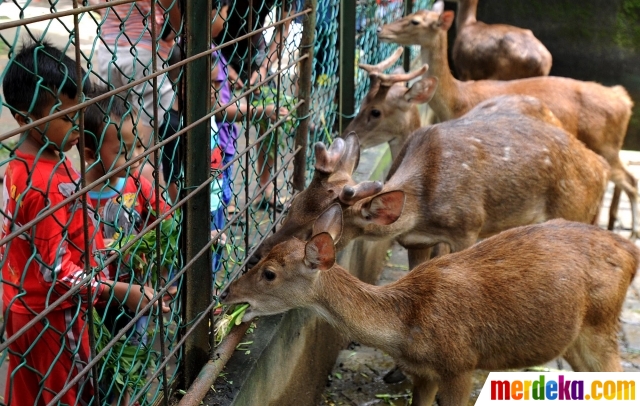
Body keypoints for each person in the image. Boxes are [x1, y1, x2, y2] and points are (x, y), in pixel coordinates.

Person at [0, 41, 169, 406]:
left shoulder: (20, 166)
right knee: (69, 392)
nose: (78, 123)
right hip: (54, 316)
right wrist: (121, 291)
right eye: (65, 116)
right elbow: (58, 273)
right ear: (24, 119)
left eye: (78, 111)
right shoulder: (47, 186)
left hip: (22, 306)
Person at [97, 0, 182, 203]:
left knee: (122, 125)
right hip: (144, 50)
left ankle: (126, 201)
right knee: (147, 144)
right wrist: (179, 29)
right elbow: (169, 5)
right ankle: (158, 210)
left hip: (108, 49)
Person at [210, 0, 288, 220]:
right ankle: (227, 193)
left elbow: (285, 26)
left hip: (254, 50)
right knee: (221, 124)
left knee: (271, 117)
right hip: (217, 49)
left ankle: (265, 187)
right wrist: (226, 71)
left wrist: (263, 67)